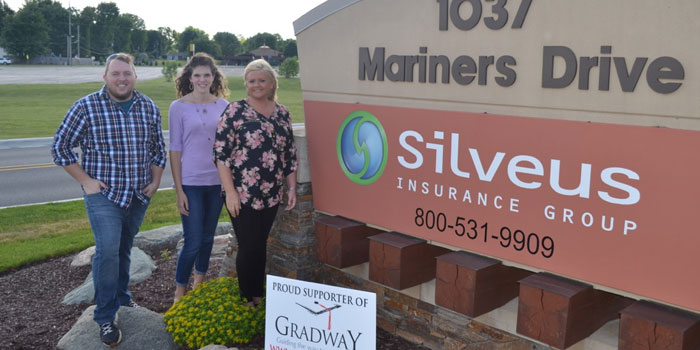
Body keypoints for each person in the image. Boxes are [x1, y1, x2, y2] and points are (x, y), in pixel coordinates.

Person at [51, 53, 166, 347]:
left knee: (125, 248)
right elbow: (60, 147)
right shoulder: (87, 107)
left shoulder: (148, 107)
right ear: (105, 77)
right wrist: (86, 181)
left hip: (138, 195)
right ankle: (105, 316)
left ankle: (122, 297)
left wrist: (155, 181)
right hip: (104, 196)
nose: (122, 79)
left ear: (135, 77)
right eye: (115, 74)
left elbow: (157, 149)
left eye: (127, 73)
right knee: (107, 250)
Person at [214, 59, 298, 307]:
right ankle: (247, 297)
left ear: (272, 82)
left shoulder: (282, 113)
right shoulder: (235, 111)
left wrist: (291, 187)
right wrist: (230, 192)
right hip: (242, 193)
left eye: (262, 80)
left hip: (271, 193)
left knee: (259, 245)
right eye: (251, 81)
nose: (256, 85)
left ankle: (256, 295)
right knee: (249, 245)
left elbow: (290, 154)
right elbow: (221, 153)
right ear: (246, 84)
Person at [169, 53, 229, 302]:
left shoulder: (224, 106)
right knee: (192, 241)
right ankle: (180, 290)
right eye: (197, 75)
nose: (202, 79)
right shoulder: (178, 107)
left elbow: (228, 146)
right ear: (190, 78)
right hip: (191, 183)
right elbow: (174, 148)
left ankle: (199, 284)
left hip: (217, 183)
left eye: (207, 75)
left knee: (207, 238)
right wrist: (179, 190)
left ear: (213, 77)